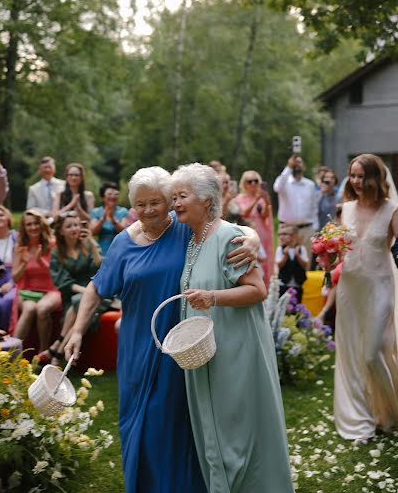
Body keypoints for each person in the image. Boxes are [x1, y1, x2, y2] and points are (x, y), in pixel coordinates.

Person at [64, 166, 257, 493]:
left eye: (156, 201)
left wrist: (251, 238)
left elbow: (227, 227)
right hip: (138, 346)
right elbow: (97, 288)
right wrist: (78, 331)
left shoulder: (185, 230)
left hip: (181, 344)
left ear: (169, 201)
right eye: (141, 204)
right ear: (132, 207)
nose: (149, 209)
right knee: (136, 421)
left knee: (173, 423)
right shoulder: (124, 243)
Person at [171, 163, 293, 493]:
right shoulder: (192, 240)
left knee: (237, 432)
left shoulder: (227, 236)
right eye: (174, 197)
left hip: (235, 351)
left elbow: (258, 290)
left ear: (208, 200)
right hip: (203, 353)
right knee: (216, 435)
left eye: (182, 196)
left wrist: (212, 296)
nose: (175, 203)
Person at [334, 153, 398, 443]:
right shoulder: (344, 210)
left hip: (379, 287)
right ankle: (361, 419)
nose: (356, 181)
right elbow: (338, 251)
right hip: (350, 289)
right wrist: (326, 257)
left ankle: (389, 409)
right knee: (351, 353)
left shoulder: (391, 210)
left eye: (362, 176)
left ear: (375, 177)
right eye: (353, 175)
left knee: (373, 353)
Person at [38, 211, 102, 365]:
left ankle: (57, 352)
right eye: (69, 226)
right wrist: (86, 292)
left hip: (97, 292)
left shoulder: (88, 244)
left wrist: (92, 242)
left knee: (79, 301)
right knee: (78, 301)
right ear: (61, 231)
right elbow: (62, 281)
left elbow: (100, 266)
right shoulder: (57, 253)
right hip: (73, 294)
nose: (74, 228)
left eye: (76, 225)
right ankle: (58, 354)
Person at [10, 211, 61, 351]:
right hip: (27, 290)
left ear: (41, 224)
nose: (33, 227)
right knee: (29, 308)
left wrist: (40, 261)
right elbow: (15, 277)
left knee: (42, 309)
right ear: (24, 227)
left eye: (36, 223)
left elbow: (57, 274)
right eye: (29, 224)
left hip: (51, 289)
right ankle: (11, 355)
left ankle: (43, 353)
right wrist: (24, 263)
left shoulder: (52, 243)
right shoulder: (20, 246)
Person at [273, 154, 318, 262]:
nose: (297, 165)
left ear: (304, 167)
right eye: (295, 162)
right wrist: (289, 167)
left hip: (306, 230)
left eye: (299, 162)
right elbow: (277, 187)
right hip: (287, 229)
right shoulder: (284, 182)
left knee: (305, 263)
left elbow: (313, 207)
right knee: (285, 263)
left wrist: (315, 228)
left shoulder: (310, 185)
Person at [235, 170, 274, 286]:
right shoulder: (239, 199)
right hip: (248, 232)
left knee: (264, 260)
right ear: (244, 184)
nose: (253, 184)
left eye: (255, 181)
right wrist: (256, 199)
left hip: (262, 233)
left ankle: (265, 287)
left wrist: (266, 201)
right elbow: (243, 214)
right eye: (249, 181)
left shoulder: (261, 199)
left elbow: (265, 215)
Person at [90, 182, 128, 256]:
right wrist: (102, 219)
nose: (113, 196)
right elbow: (93, 232)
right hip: (101, 248)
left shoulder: (123, 211)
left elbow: (123, 231)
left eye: (115, 194)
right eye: (109, 194)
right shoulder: (96, 212)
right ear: (103, 197)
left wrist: (113, 219)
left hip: (119, 247)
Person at [275, 224, 308, 303]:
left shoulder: (301, 249)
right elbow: (279, 265)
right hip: (284, 284)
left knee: (296, 305)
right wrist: (285, 256)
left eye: (285, 234)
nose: (282, 237)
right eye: (280, 234)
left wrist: (298, 255)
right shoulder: (280, 249)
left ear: (294, 236)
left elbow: (305, 264)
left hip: (297, 284)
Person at [0, 206, 17, 331]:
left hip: (14, 279)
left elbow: (24, 264)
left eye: (1, 215)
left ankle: (5, 336)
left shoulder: (18, 238)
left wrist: (11, 283)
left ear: (8, 219)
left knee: (9, 300)